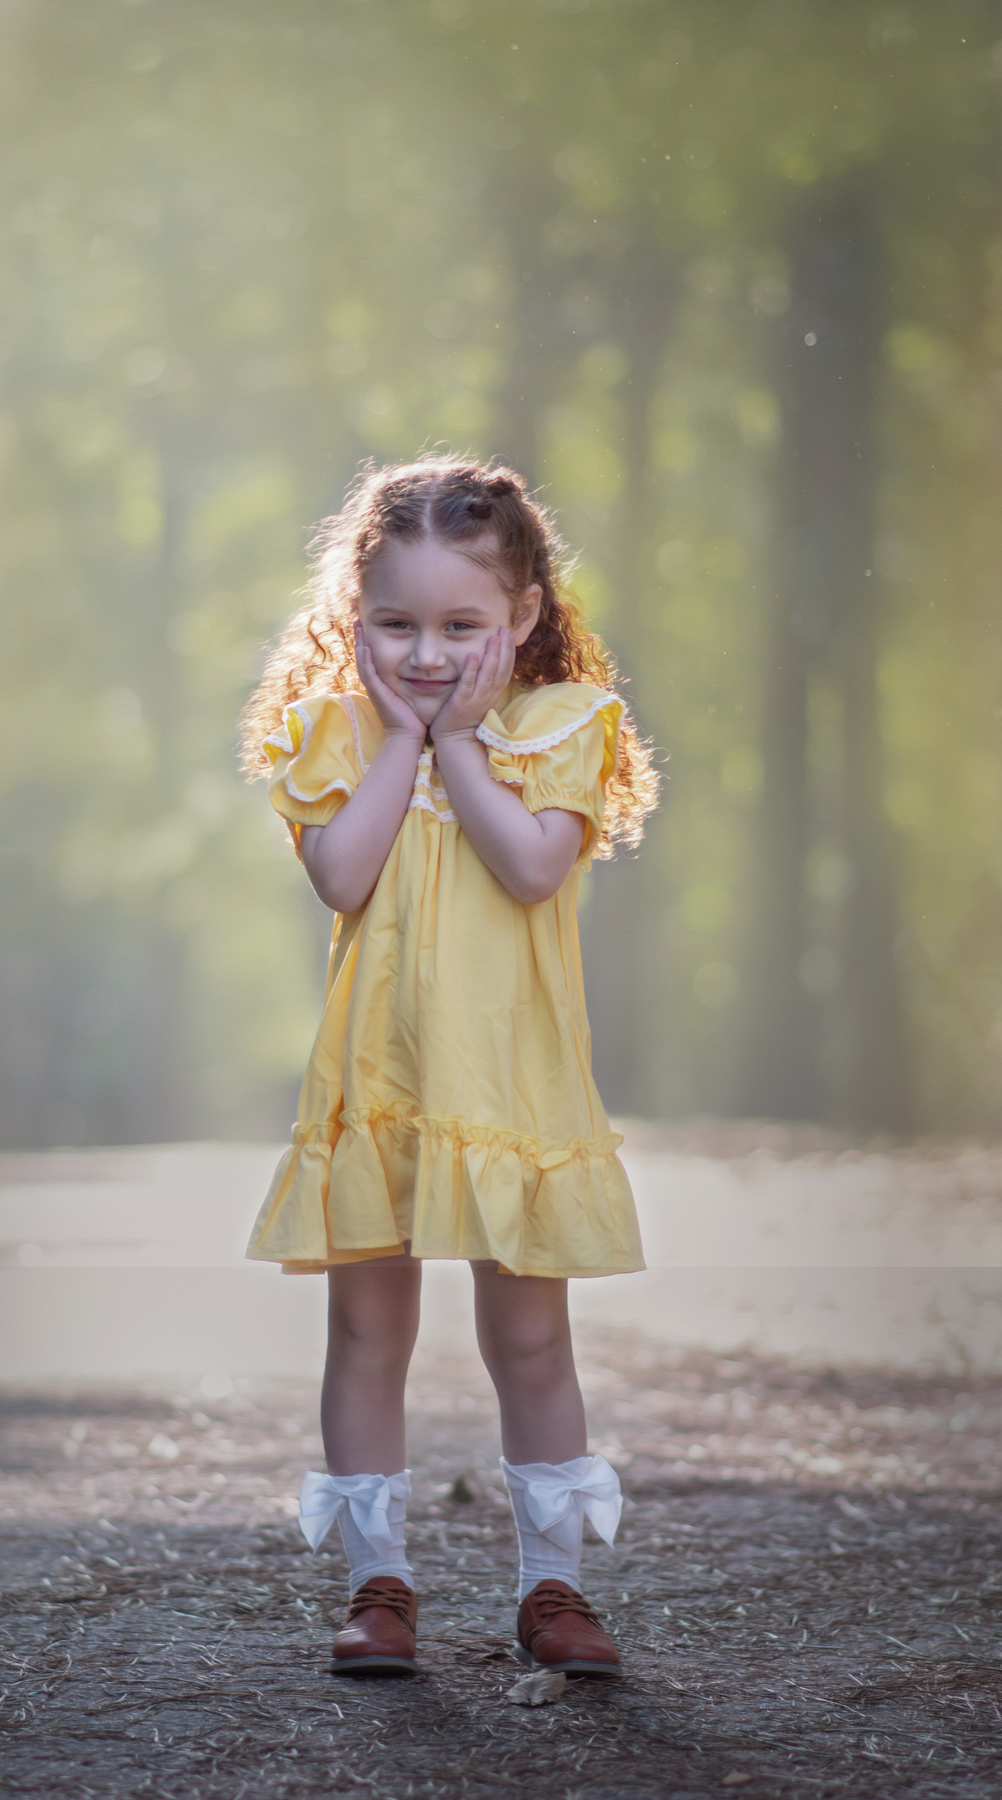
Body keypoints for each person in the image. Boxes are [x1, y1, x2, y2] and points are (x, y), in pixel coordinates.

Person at [239, 455, 658, 1678]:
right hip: (383, 1086)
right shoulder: (328, 732)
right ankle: (380, 1585)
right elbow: (343, 875)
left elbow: (532, 868)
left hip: (510, 1089)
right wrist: (399, 746)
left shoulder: (568, 727)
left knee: (530, 1343)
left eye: (461, 625)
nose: (427, 653)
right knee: (368, 1334)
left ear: (523, 617)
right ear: (350, 619)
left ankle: (553, 1590)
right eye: (397, 624)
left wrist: (461, 746)